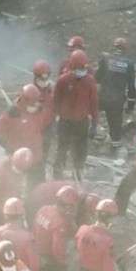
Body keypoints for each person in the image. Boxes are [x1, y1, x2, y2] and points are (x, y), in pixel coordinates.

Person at [52, 51, 99, 179]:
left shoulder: (90, 81)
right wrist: (53, 119)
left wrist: (95, 123)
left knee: (81, 150)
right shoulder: (63, 81)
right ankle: (57, 173)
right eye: (79, 68)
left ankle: (78, 173)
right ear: (72, 66)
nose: (81, 70)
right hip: (65, 121)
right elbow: (56, 101)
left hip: (81, 121)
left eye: (83, 67)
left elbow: (94, 103)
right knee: (62, 148)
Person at [96, 38, 136, 145]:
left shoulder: (105, 59)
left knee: (90, 116)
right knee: (115, 128)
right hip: (117, 100)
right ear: (125, 49)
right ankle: (115, 148)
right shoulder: (129, 64)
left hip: (102, 97)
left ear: (114, 47)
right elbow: (132, 87)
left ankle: (88, 139)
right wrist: (130, 107)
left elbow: (96, 78)